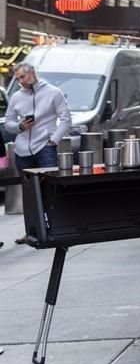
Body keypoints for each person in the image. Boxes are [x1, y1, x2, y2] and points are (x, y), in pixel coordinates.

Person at [4, 63, 72, 244]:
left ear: (33, 73)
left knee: (49, 188)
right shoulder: (17, 97)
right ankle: (31, 231)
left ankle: (53, 228)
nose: (21, 81)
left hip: (45, 147)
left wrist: (53, 140)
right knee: (29, 193)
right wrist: (19, 126)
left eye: (23, 77)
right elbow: (8, 122)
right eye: (18, 78)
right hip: (22, 149)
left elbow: (66, 119)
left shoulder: (53, 92)